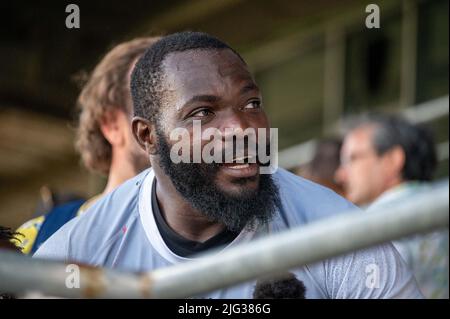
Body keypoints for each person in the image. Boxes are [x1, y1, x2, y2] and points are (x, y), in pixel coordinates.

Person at [34, 32, 422, 298]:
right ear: (147, 136)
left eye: (251, 103)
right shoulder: (78, 252)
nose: (240, 128)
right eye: (202, 112)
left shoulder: (339, 233)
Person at [16, 37, 159, 255]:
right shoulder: (37, 235)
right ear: (112, 124)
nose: (175, 111)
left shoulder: (223, 232)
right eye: (153, 98)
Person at [336, 114, 448, 298]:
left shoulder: (372, 224)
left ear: (392, 160)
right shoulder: (439, 207)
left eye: (352, 158)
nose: (340, 174)